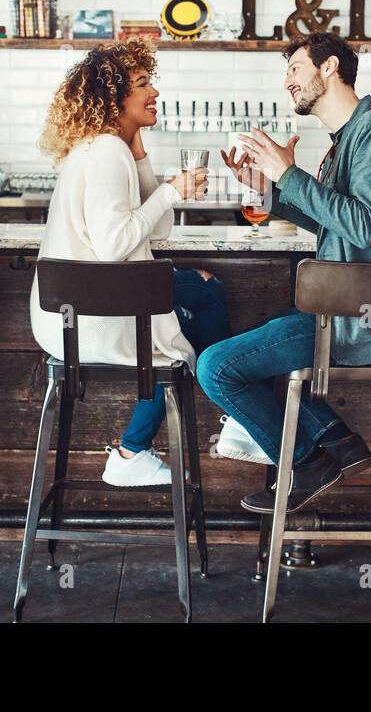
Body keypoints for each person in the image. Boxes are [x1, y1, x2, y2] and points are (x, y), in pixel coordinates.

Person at [199, 31, 371, 514]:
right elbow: (332, 217)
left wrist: (289, 174)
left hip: (370, 324)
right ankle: (339, 443)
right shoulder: (348, 137)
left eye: (294, 69)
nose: (287, 81)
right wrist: (268, 189)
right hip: (344, 316)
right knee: (250, 356)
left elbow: (364, 225)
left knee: (216, 368)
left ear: (329, 68)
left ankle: (310, 463)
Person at [30, 40, 231, 487]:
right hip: (96, 323)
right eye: (142, 84)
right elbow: (114, 244)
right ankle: (225, 417)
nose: (154, 90)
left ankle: (135, 449)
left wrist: (140, 153)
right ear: (112, 99)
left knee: (193, 292)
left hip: (74, 317)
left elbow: (158, 232)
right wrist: (172, 191)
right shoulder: (104, 151)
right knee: (203, 297)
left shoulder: (107, 147)